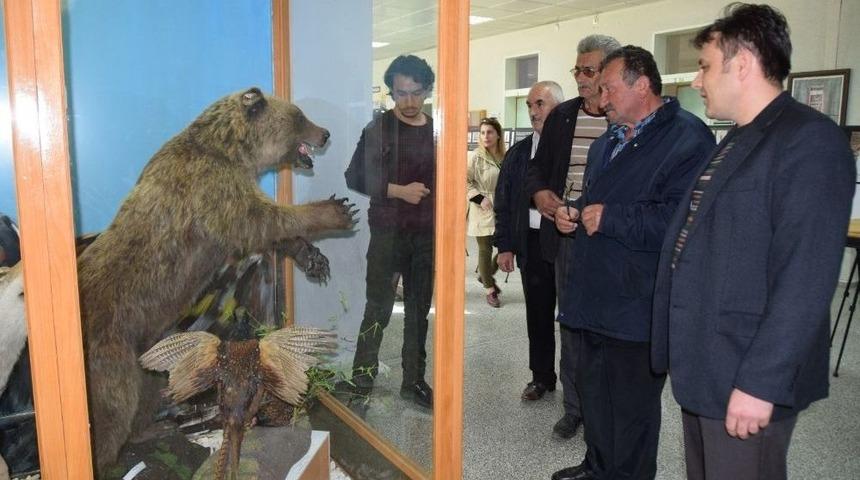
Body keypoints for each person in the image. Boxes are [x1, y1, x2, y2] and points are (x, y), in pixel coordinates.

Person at [651, 4, 855, 479]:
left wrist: (762, 382)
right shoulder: (736, 139)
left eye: (705, 66)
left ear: (741, 64)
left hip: (745, 370)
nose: (697, 81)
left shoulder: (810, 141)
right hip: (707, 362)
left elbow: (806, 276)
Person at [552, 46, 714, 480]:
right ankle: (597, 467)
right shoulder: (609, 140)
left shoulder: (688, 139)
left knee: (631, 412)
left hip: (637, 303)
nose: (600, 98)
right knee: (595, 397)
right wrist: (574, 213)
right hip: (593, 296)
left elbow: (683, 221)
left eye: (608, 88)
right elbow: (598, 201)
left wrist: (611, 218)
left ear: (641, 86)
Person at [525, 34, 620, 440]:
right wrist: (541, 195)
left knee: (608, 328)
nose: (581, 78)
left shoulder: (622, 117)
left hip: (612, 241)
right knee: (571, 324)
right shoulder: (563, 116)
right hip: (566, 237)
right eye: (577, 70)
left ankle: (605, 409)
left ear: (610, 71)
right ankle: (574, 408)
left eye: (589, 70)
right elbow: (536, 169)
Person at [344, 54, 436, 409]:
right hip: (387, 233)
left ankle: (413, 381)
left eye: (416, 93)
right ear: (391, 93)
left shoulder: (436, 130)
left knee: (418, 311)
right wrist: (398, 191)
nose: (409, 102)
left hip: (426, 235)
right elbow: (354, 176)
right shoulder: (379, 128)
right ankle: (361, 380)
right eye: (401, 94)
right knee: (378, 308)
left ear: (428, 90)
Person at [494, 81, 564, 400]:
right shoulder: (519, 154)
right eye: (529, 105)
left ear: (559, 108)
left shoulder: (573, 148)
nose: (533, 112)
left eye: (540, 104)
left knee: (572, 318)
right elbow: (504, 201)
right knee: (537, 314)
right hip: (532, 245)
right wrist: (505, 246)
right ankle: (541, 377)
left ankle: (577, 389)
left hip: (567, 243)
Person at [467, 117, 506, 307]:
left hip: (502, 208)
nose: (485, 136)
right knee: (485, 249)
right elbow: (464, 181)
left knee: (509, 245)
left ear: (498, 135)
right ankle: (490, 290)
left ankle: (485, 275)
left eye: (490, 132)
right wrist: (479, 198)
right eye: (482, 133)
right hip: (481, 208)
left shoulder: (506, 157)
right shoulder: (475, 157)